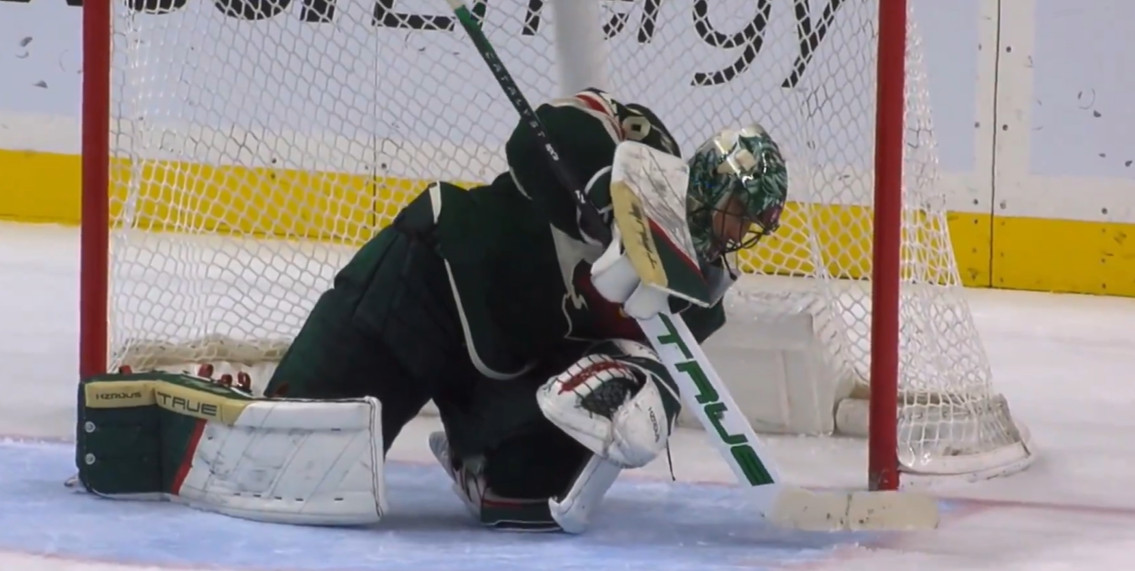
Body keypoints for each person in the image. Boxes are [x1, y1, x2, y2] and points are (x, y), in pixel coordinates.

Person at [257, 87, 789, 530]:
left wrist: (652, 396)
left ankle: (479, 458)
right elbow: (542, 133)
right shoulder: (647, 155)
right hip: (437, 289)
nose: (739, 231)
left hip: (506, 370)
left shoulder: (703, 294)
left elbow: (668, 366)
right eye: (738, 210)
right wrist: (611, 201)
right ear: (712, 183)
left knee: (541, 496)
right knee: (294, 473)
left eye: (752, 224)